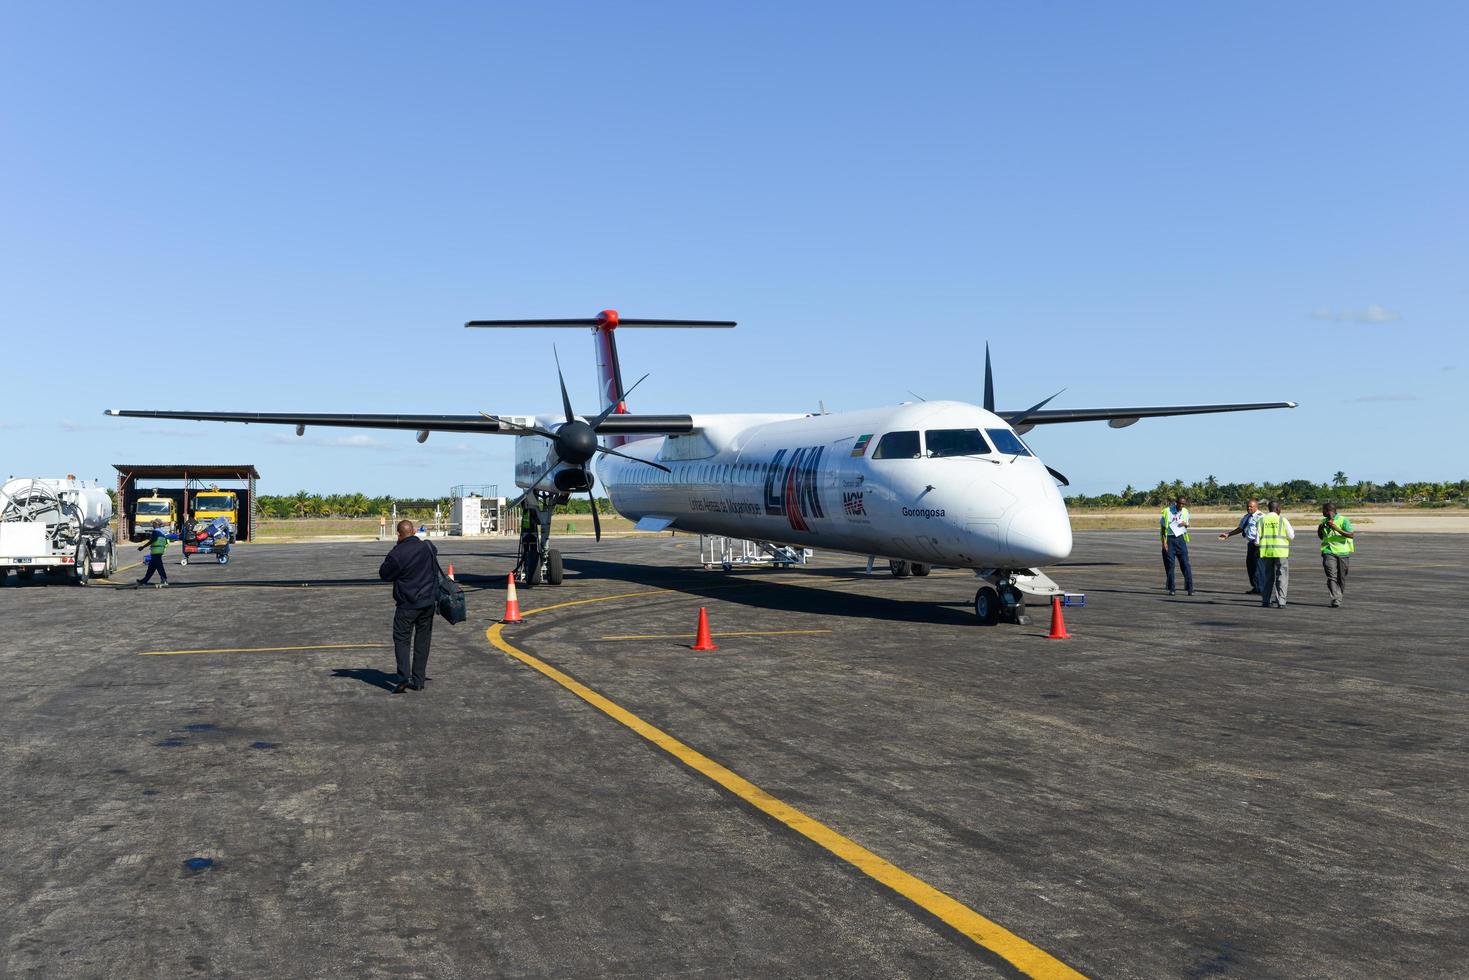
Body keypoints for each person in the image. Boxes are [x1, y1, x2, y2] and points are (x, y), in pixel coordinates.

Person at [378, 519, 439, 694]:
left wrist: (396, 549)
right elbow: (434, 551)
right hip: (427, 603)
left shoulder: (397, 554)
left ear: (398, 534)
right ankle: (419, 680)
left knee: (402, 640)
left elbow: (384, 574)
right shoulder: (427, 547)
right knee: (423, 640)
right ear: (413, 531)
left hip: (407, 605)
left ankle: (403, 677)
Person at [1218, 498, 1263, 594]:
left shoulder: (1261, 517)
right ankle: (1256, 587)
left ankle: (1261, 588)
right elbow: (1240, 528)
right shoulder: (1247, 517)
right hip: (1251, 544)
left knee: (1257, 567)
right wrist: (1228, 534)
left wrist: (1260, 544)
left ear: (1256, 507)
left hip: (1258, 544)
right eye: (1248, 506)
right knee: (1250, 566)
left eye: (1251, 506)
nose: (1249, 508)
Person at [1256, 500, 1295, 608]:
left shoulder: (1261, 520)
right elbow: (1291, 535)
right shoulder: (1282, 520)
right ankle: (1281, 602)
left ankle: (1265, 600)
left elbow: (1256, 540)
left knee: (1267, 577)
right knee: (1281, 577)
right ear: (1278, 509)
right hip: (1281, 552)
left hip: (1266, 552)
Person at [1317, 502, 1356, 608]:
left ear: (1328, 510)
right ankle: (1335, 599)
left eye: (1323, 510)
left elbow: (1351, 535)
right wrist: (1320, 528)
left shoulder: (1343, 520)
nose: (1322, 512)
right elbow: (1321, 536)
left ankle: (1338, 595)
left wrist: (1336, 528)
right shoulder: (1324, 521)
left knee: (1341, 577)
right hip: (1328, 552)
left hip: (1342, 552)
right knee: (1331, 576)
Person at [1159, 494, 1194, 596]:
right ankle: (1172, 588)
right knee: (1170, 565)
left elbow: (1187, 524)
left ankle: (1190, 588)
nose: (1181, 506)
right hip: (1169, 539)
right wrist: (1163, 543)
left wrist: (1185, 524)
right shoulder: (1167, 511)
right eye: (1180, 504)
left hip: (1181, 539)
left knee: (1185, 564)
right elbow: (1162, 529)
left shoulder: (1185, 512)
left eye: (1183, 504)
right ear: (1176, 502)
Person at [135, 519, 170, 588]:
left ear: (156, 524)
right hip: (159, 551)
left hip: (156, 551)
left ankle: (164, 580)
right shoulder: (162, 532)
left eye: (153, 523)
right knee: (151, 568)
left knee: (159, 567)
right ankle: (144, 581)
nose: (152, 525)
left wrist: (143, 547)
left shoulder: (155, 532)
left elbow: (152, 540)